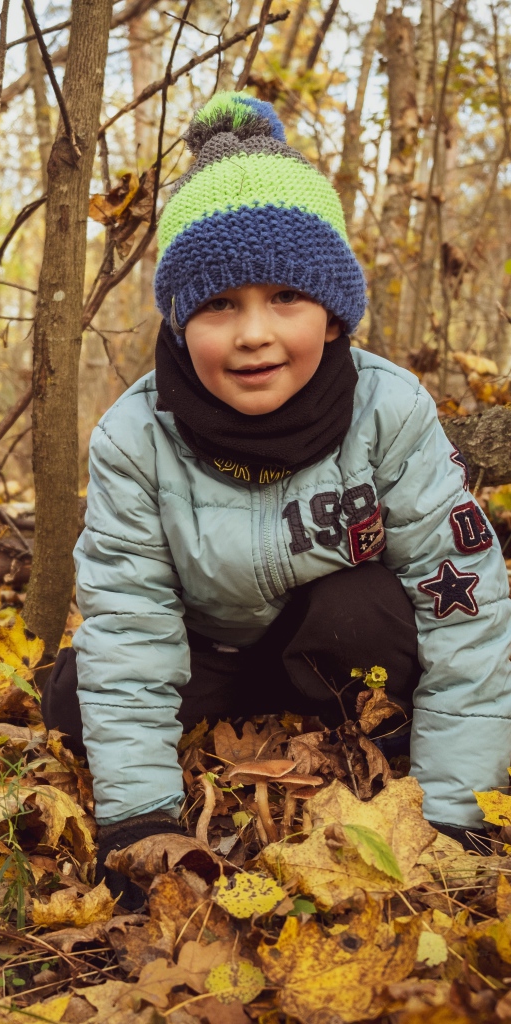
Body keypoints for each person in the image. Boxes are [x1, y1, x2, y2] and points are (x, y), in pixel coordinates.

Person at [41, 92, 511, 907]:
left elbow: (462, 607)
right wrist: (138, 823)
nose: (253, 332)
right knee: (78, 693)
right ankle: (198, 734)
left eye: (284, 298)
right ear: (183, 320)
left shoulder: (390, 412)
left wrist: (458, 810)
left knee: (367, 607)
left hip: (334, 643)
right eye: (220, 304)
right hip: (206, 647)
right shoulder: (134, 438)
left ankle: (375, 737)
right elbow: (129, 622)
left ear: (332, 315)